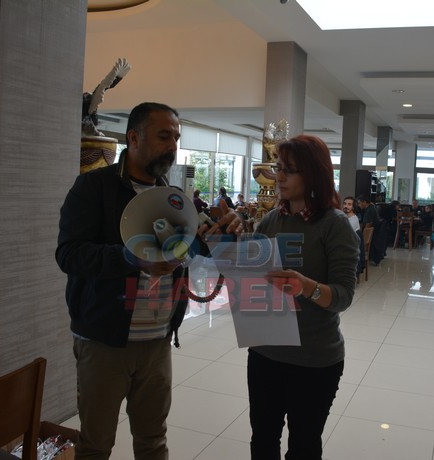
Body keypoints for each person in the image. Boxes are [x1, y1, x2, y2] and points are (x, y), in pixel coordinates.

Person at [56, 102, 242, 459]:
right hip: (103, 342)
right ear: (133, 138)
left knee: (153, 441)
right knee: (95, 445)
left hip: (157, 341)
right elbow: (69, 255)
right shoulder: (93, 188)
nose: (172, 145)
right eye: (163, 136)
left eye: (176, 138)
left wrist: (227, 230)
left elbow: (198, 248)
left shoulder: (173, 198)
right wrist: (132, 258)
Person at [250, 135, 359, 459]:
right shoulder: (271, 220)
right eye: (278, 168)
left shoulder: (335, 224)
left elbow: (343, 296)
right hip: (265, 352)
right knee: (263, 441)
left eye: (289, 170)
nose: (279, 177)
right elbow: (252, 274)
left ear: (313, 173)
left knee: (304, 446)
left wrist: (306, 287)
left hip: (313, 360)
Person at [343, 196, 364, 278]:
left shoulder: (353, 220)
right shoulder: (345, 217)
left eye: (349, 204)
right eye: (345, 204)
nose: (346, 206)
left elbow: (344, 236)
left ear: (353, 207)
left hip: (350, 248)